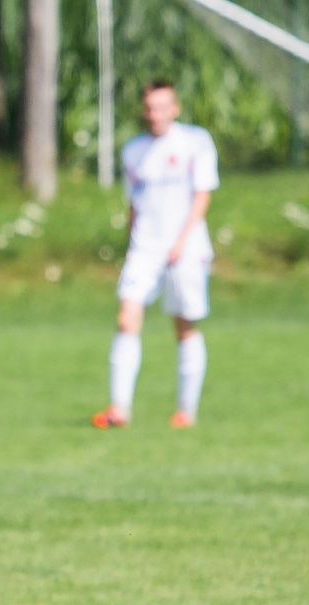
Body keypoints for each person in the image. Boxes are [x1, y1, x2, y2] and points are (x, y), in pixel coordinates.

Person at [93, 81, 219, 429]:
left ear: (175, 108)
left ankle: (186, 411)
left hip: (186, 247)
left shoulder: (195, 141)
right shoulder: (133, 150)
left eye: (162, 107)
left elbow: (202, 194)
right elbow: (134, 202)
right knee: (126, 319)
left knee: (184, 325)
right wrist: (131, 244)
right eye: (149, 107)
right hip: (145, 248)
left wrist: (181, 241)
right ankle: (119, 409)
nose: (155, 114)